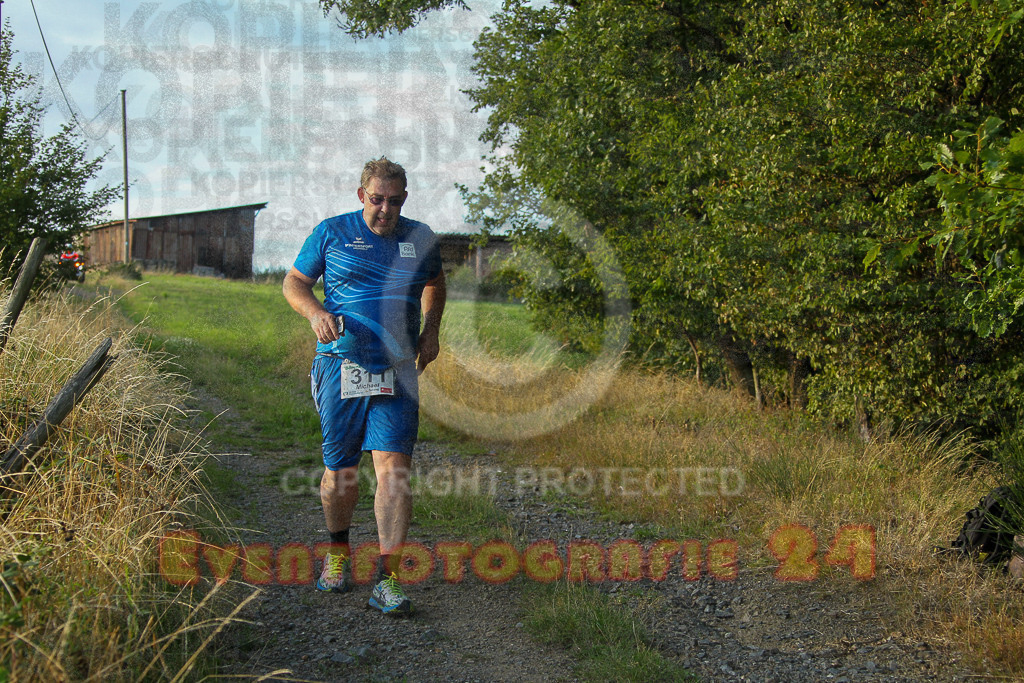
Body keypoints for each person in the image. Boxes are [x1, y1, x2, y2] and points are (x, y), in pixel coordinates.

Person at [283, 157, 446, 616]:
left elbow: (436, 282)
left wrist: (431, 329)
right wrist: (315, 314)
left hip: (397, 370)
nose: (385, 210)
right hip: (341, 366)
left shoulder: (420, 237)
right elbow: (295, 282)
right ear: (362, 196)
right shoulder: (332, 232)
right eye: (377, 200)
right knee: (342, 473)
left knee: (395, 471)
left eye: (394, 201)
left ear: (405, 200)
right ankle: (337, 557)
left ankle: (387, 580)